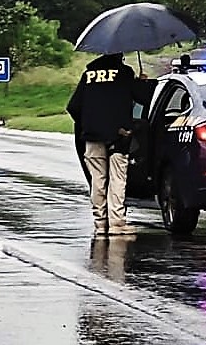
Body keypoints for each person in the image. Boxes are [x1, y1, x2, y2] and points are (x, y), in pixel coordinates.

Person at [66, 53, 156, 237]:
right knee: (117, 178)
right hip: (119, 134)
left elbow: (73, 106)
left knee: (97, 180)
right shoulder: (124, 73)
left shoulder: (88, 75)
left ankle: (100, 223)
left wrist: (88, 124)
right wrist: (142, 82)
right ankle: (116, 223)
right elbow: (143, 98)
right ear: (118, 58)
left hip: (92, 136)